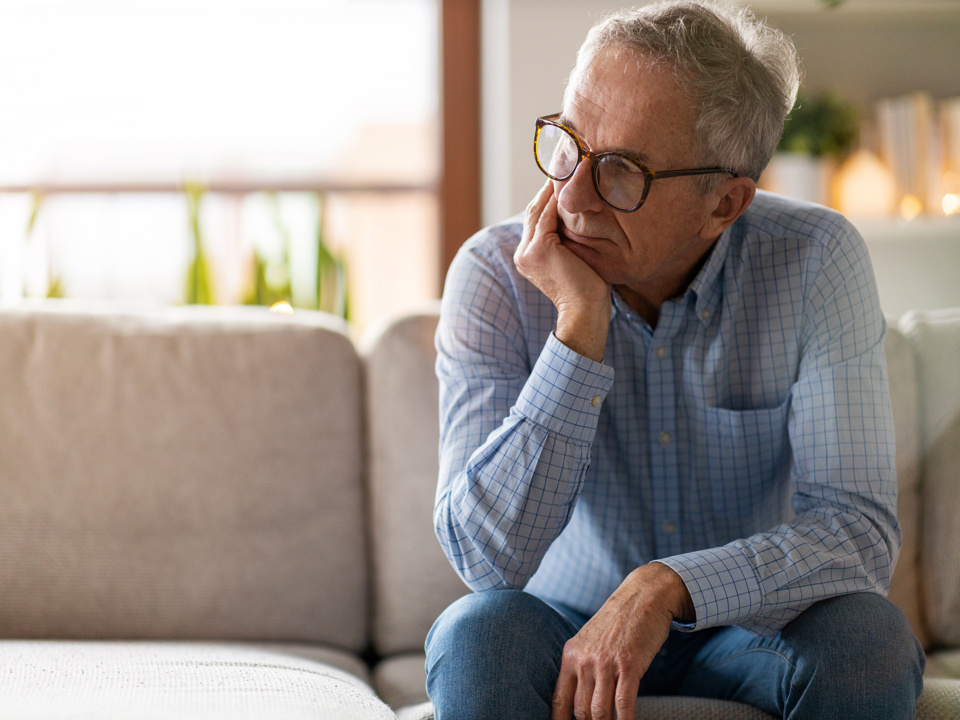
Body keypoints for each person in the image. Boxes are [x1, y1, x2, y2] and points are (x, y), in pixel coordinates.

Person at [425, 2, 925, 719]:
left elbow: (857, 533)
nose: (570, 197)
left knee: (867, 638)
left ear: (724, 203)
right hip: (563, 628)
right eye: (568, 143)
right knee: (476, 635)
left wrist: (666, 587)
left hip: (751, 631)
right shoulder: (497, 274)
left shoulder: (817, 259)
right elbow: (485, 562)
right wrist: (578, 331)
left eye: (621, 171)